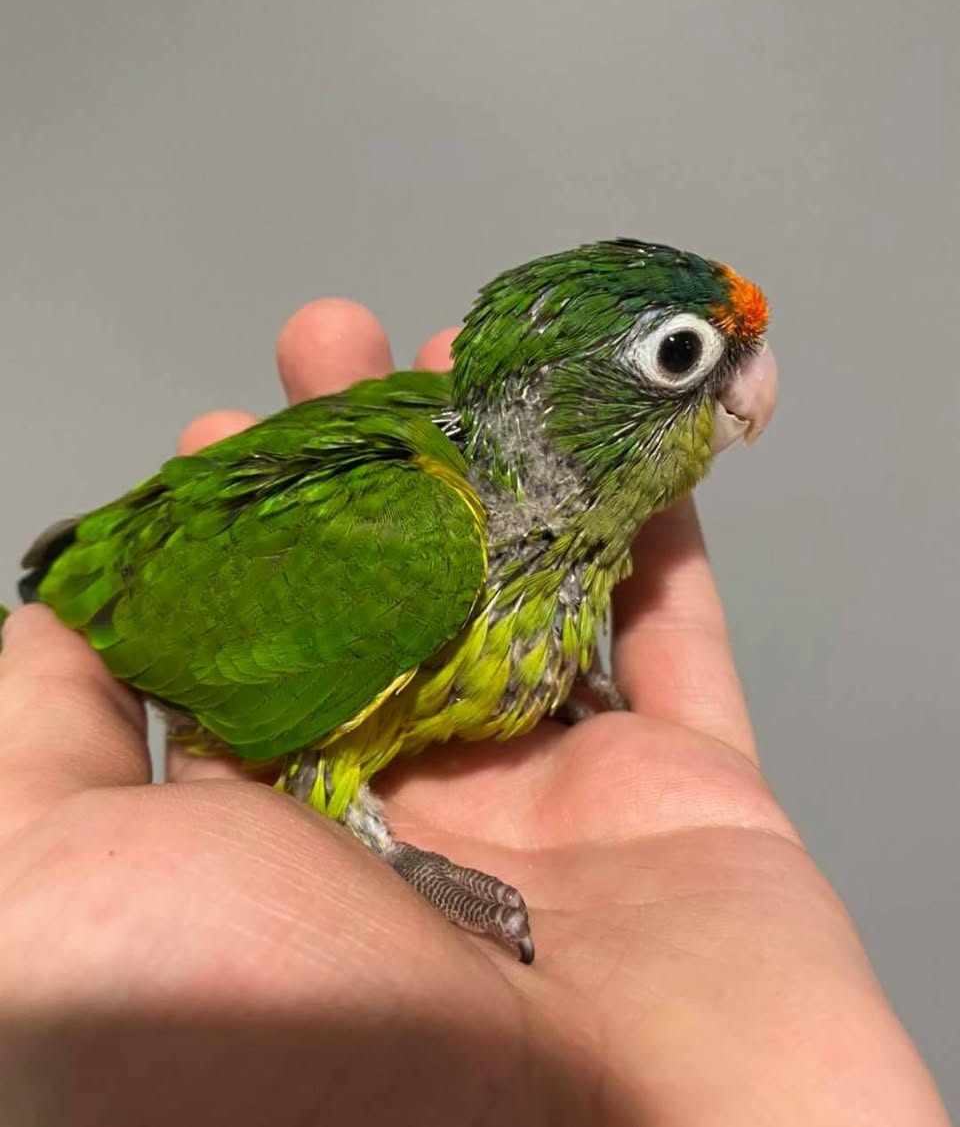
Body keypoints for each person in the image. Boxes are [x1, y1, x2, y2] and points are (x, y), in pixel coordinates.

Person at [0, 300, 948, 1126]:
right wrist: (397, 867)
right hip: (184, 578)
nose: (750, 388)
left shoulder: (562, 533)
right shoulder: (417, 538)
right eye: (680, 356)